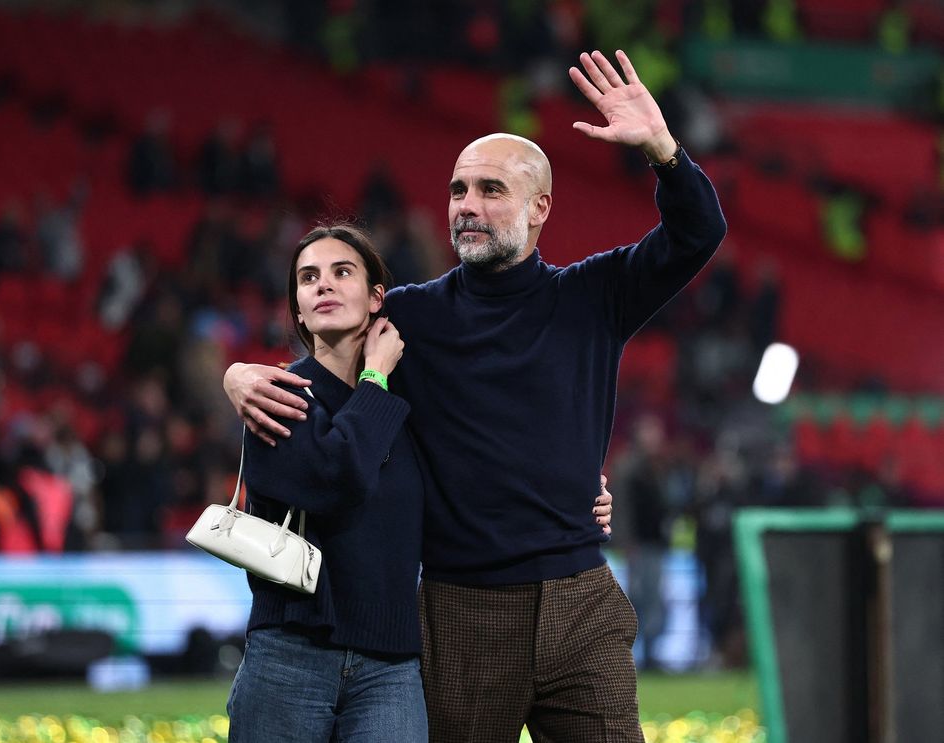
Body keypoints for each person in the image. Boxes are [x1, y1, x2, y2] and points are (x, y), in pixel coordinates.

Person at [225, 49, 726, 742]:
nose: (467, 206)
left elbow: (699, 234)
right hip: (461, 609)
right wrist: (241, 375)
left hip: (580, 595)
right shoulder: (407, 316)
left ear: (539, 205)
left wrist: (666, 154)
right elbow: (326, 343)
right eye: (458, 189)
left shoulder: (593, 297)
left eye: (491, 189)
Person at [225, 224, 429, 741]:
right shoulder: (276, 393)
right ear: (297, 307)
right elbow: (340, 479)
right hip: (289, 656)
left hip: (391, 665)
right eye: (308, 277)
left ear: (376, 297)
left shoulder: (413, 407)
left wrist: (579, 497)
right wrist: (376, 378)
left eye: (343, 272)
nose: (324, 285)